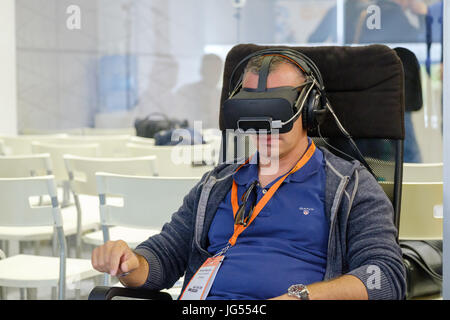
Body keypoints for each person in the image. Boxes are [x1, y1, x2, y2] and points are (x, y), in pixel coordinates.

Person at [91, 54, 406, 300]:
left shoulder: (350, 186)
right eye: (251, 107)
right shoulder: (217, 185)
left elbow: (385, 277)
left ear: (309, 110)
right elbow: (161, 259)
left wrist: (303, 295)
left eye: (279, 108)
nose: (264, 123)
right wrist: (130, 263)